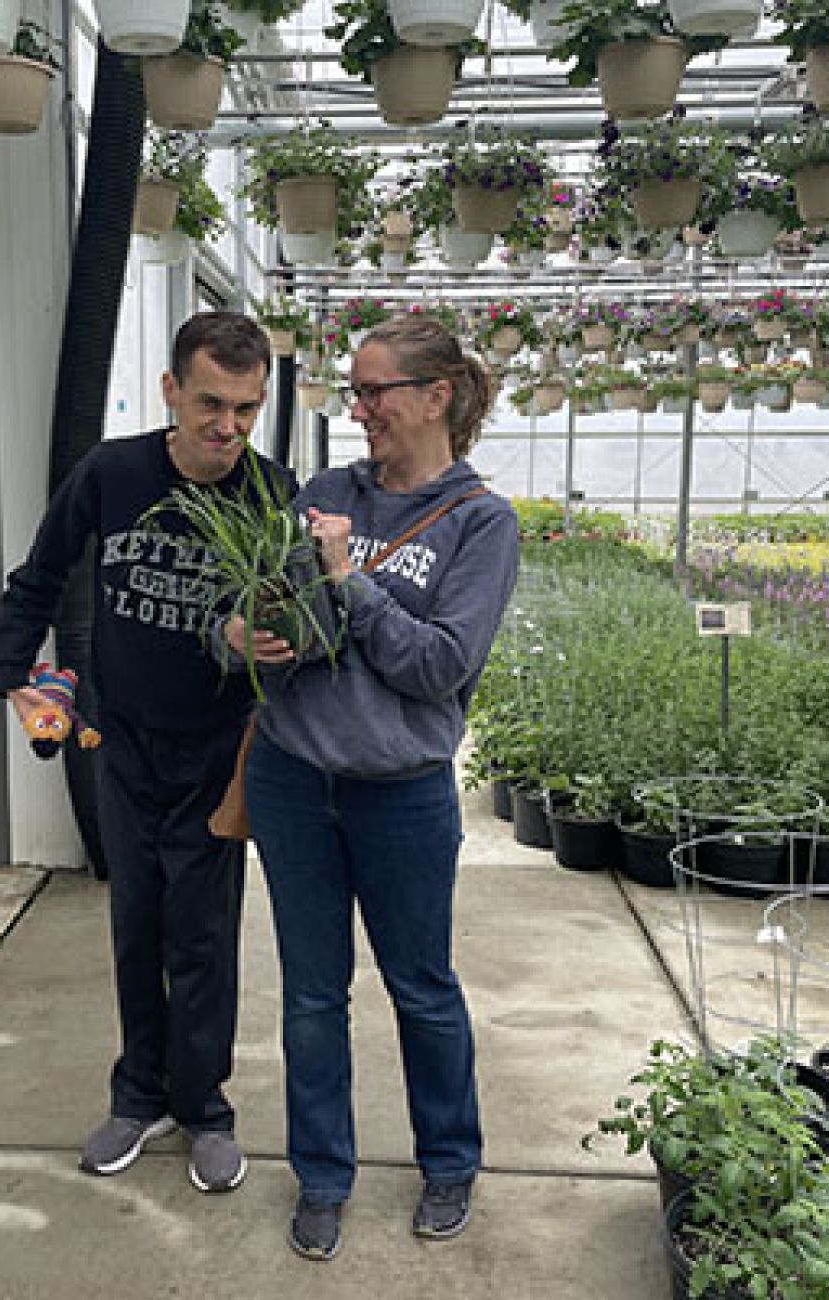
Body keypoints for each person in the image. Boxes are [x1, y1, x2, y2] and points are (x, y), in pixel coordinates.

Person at [225, 314, 519, 1260]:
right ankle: (322, 1176)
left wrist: (350, 581)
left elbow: (438, 669)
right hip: (293, 779)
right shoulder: (322, 492)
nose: (358, 411)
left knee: (421, 988)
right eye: (353, 392)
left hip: (401, 794)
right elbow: (265, 610)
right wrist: (243, 634)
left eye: (373, 392)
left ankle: (448, 1160)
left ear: (436, 397)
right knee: (312, 996)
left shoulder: (481, 522)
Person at [0, 311, 295, 1195]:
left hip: (215, 750)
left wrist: (256, 636)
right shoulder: (113, 472)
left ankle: (205, 1109)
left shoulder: (271, 492)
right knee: (136, 926)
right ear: (171, 390)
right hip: (117, 741)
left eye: (246, 407)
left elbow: (301, 616)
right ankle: (138, 1096)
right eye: (210, 403)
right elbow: (40, 574)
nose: (227, 427)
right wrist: (16, 672)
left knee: (202, 935)